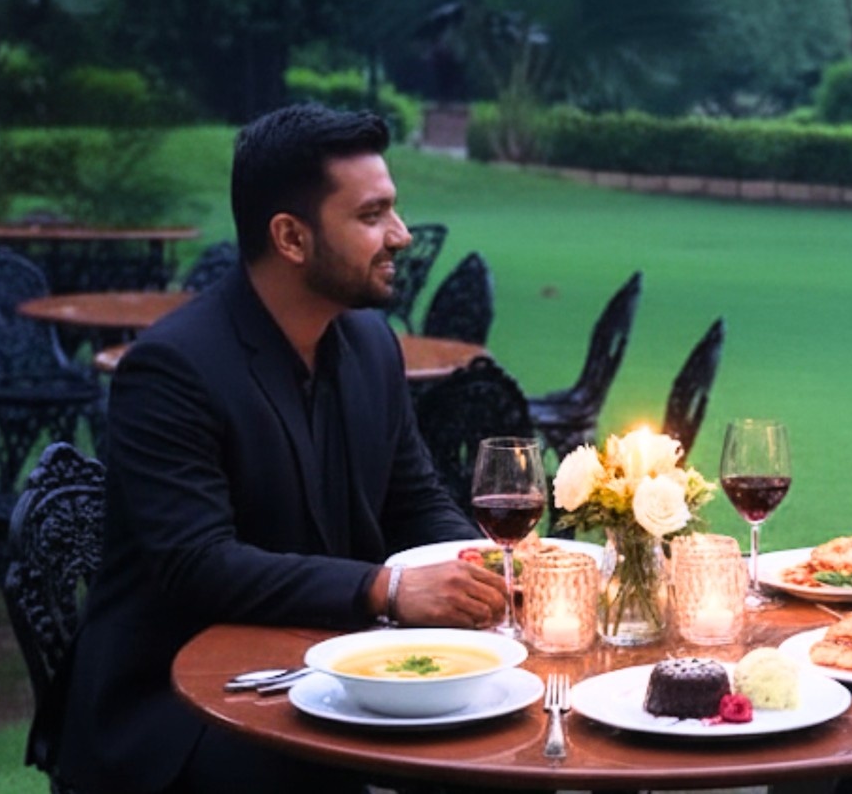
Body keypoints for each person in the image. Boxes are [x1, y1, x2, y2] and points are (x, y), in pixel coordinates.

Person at [47, 103, 507, 793]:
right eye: (371, 215)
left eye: (395, 210)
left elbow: (414, 500)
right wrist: (387, 590)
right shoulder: (173, 367)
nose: (401, 236)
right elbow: (197, 564)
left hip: (327, 669)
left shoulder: (370, 345)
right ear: (291, 237)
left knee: (496, 738)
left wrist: (491, 567)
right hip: (176, 710)